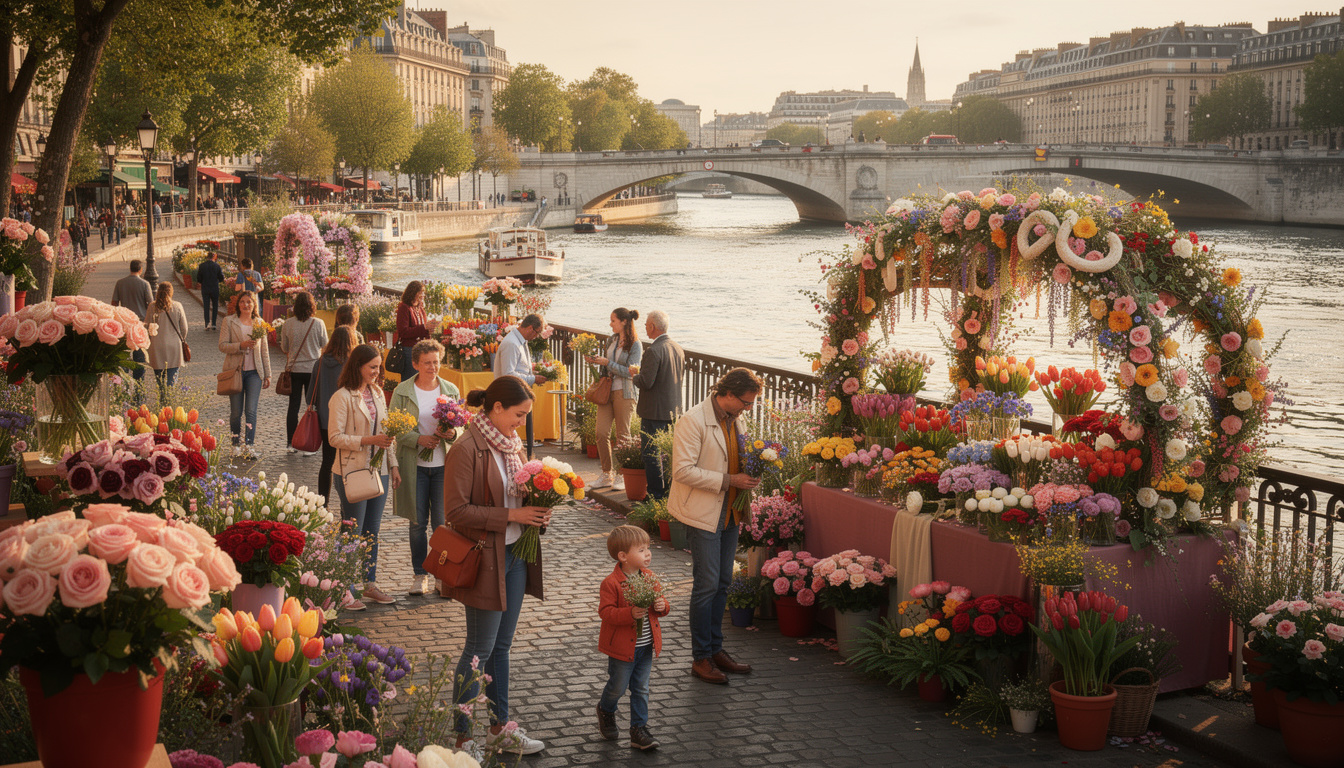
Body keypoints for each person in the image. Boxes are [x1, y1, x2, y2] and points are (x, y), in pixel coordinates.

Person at [443, 376, 549, 756]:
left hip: (516, 556)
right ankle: (463, 738)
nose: (522, 423)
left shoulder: (512, 444)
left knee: (501, 647)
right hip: (485, 560)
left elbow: (517, 492)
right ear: (497, 408)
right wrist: (513, 513)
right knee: (479, 649)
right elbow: (455, 512)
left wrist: (537, 512)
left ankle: (499, 728)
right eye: (518, 415)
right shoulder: (467, 446)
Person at [668, 367, 763, 684]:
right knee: (707, 585)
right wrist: (729, 480)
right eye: (746, 402)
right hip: (705, 514)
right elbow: (682, 471)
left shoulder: (736, 418)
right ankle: (701, 657)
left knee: (722, 583)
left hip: (730, 513)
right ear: (729, 394)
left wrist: (753, 469)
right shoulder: (693, 420)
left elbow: (734, 457)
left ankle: (715, 650)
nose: (748, 409)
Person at [328, 344, 401, 610]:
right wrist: (368, 440)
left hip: (377, 471)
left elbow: (387, 434)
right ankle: (343, 588)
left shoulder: (378, 392)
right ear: (357, 366)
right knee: (352, 532)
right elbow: (334, 437)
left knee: (372, 532)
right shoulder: (342, 397)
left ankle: (369, 584)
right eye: (372, 366)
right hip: (351, 472)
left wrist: (393, 466)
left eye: (378, 366)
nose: (376, 371)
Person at [389, 338, 460, 596]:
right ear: (416, 363)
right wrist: (418, 439)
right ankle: (420, 574)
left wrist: (451, 433)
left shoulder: (450, 389)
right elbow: (394, 428)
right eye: (427, 363)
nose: (433, 367)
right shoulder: (403, 391)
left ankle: (442, 574)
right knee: (417, 523)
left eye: (436, 362)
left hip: (444, 466)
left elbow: (460, 429)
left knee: (442, 524)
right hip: (414, 466)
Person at [597, 525, 669, 751]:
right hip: (621, 649)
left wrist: (661, 605)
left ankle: (638, 729)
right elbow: (605, 612)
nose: (648, 553)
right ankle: (606, 710)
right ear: (623, 556)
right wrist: (629, 613)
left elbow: (662, 604)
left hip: (645, 646)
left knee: (641, 688)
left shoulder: (649, 577)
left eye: (648, 548)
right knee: (617, 687)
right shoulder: (611, 583)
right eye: (641, 549)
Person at [586, 308, 643, 490]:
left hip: (624, 393)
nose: (610, 324)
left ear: (624, 322)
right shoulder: (612, 340)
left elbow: (631, 372)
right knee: (601, 433)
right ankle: (606, 474)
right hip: (607, 391)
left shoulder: (636, 345)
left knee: (623, 436)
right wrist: (596, 362)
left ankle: (621, 475)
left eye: (613, 320)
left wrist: (607, 363)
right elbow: (607, 366)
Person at [632, 310, 685, 500]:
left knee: (651, 454)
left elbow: (646, 382)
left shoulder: (654, 350)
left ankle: (655, 494)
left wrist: (634, 376)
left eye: (646, 324)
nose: (645, 327)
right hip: (673, 409)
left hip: (654, 411)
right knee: (669, 454)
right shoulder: (677, 348)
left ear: (653, 326)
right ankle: (670, 492)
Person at [218, 291, 272, 459]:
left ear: (254, 304)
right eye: (243, 301)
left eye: (249, 302)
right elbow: (222, 345)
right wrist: (240, 345)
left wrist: (267, 374)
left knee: (251, 411)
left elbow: (264, 351)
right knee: (236, 412)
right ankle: (235, 445)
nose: (246, 305)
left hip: (254, 373)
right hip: (236, 372)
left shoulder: (260, 323)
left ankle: (249, 445)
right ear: (238, 304)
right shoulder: (229, 321)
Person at [280, 291, 329, 453]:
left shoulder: (288, 324)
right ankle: (310, 444)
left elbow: (284, 348)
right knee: (312, 407)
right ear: (312, 306)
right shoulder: (318, 323)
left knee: (293, 406)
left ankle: (290, 443)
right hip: (313, 370)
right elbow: (325, 345)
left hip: (294, 369)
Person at [315, 326, 356, 503]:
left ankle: (322, 503)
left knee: (327, 461)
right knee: (349, 462)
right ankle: (348, 503)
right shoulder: (353, 365)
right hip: (349, 419)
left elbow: (311, 394)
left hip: (325, 419)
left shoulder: (321, 361)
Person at [492, 314, 543, 456]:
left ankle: (525, 456)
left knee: (517, 428)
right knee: (509, 429)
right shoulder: (512, 343)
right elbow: (509, 374)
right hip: (509, 394)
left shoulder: (519, 341)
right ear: (531, 328)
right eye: (537, 333)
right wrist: (533, 379)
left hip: (518, 393)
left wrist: (532, 374)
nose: (536, 337)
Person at [111, 259, 153, 400]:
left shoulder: (120, 283)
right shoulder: (145, 284)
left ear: (130, 269)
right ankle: (139, 391)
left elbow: (114, 303)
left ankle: (123, 390)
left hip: (124, 324)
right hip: (139, 324)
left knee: (124, 356)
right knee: (139, 359)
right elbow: (150, 305)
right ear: (140, 270)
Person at [145, 282, 189, 399]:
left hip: (156, 345)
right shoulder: (177, 306)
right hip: (174, 345)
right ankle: (169, 403)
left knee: (160, 379)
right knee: (171, 379)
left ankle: (163, 398)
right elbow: (184, 328)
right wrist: (182, 339)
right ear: (171, 292)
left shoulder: (152, 307)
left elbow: (147, 326)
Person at [394, 281, 434, 374]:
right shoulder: (404, 307)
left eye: (423, 292)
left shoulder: (420, 308)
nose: (423, 295)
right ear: (413, 293)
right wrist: (424, 328)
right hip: (409, 350)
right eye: (420, 292)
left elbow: (423, 329)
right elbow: (403, 332)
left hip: (421, 349)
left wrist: (430, 330)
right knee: (410, 379)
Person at [196, 251, 224, 330]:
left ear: (207, 257)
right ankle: (214, 324)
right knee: (215, 306)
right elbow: (221, 277)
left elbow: (199, 278)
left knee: (206, 306)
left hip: (205, 288)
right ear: (213, 257)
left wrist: (203, 282)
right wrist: (217, 281)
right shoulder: (217, 266)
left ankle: (207, 323)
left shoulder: (202, 266)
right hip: (215, 288)